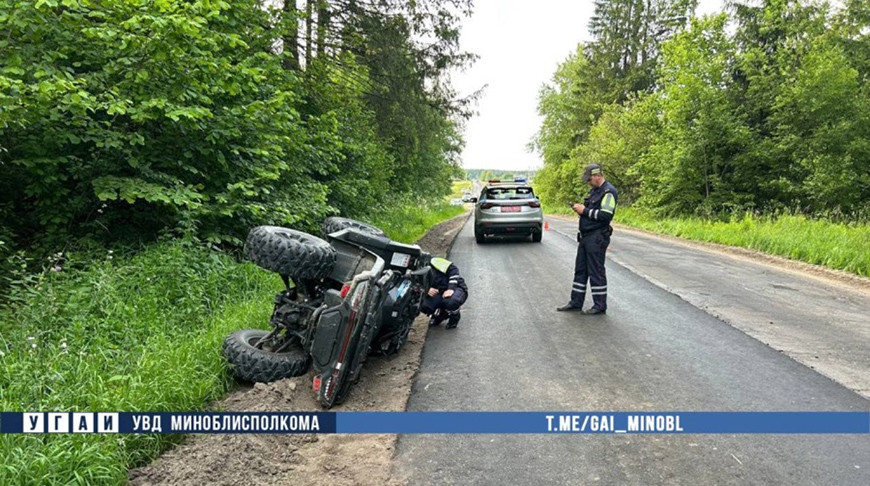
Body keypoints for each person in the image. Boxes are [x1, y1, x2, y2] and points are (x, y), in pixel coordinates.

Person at [557, 163, 618, 315]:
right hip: (585, 237)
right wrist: (582, 211)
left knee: (596, 271)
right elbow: (592, 212)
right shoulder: (594, 191)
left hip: (597, 237)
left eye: (589, 180)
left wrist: (584, 211)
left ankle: (599, 305)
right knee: (581, 271)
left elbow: (605, 215)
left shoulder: (608, 192)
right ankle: (576, 302)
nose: (588, 183)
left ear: (598, 176)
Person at [422, 257, 468, 329]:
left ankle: (454, 316)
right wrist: (426, 289)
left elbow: (454, 270)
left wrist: (451, 288)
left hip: (456, 288)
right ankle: (441, 315)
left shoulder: (434, 261)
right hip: (438, 291)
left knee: (451, 302)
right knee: (423, 305)